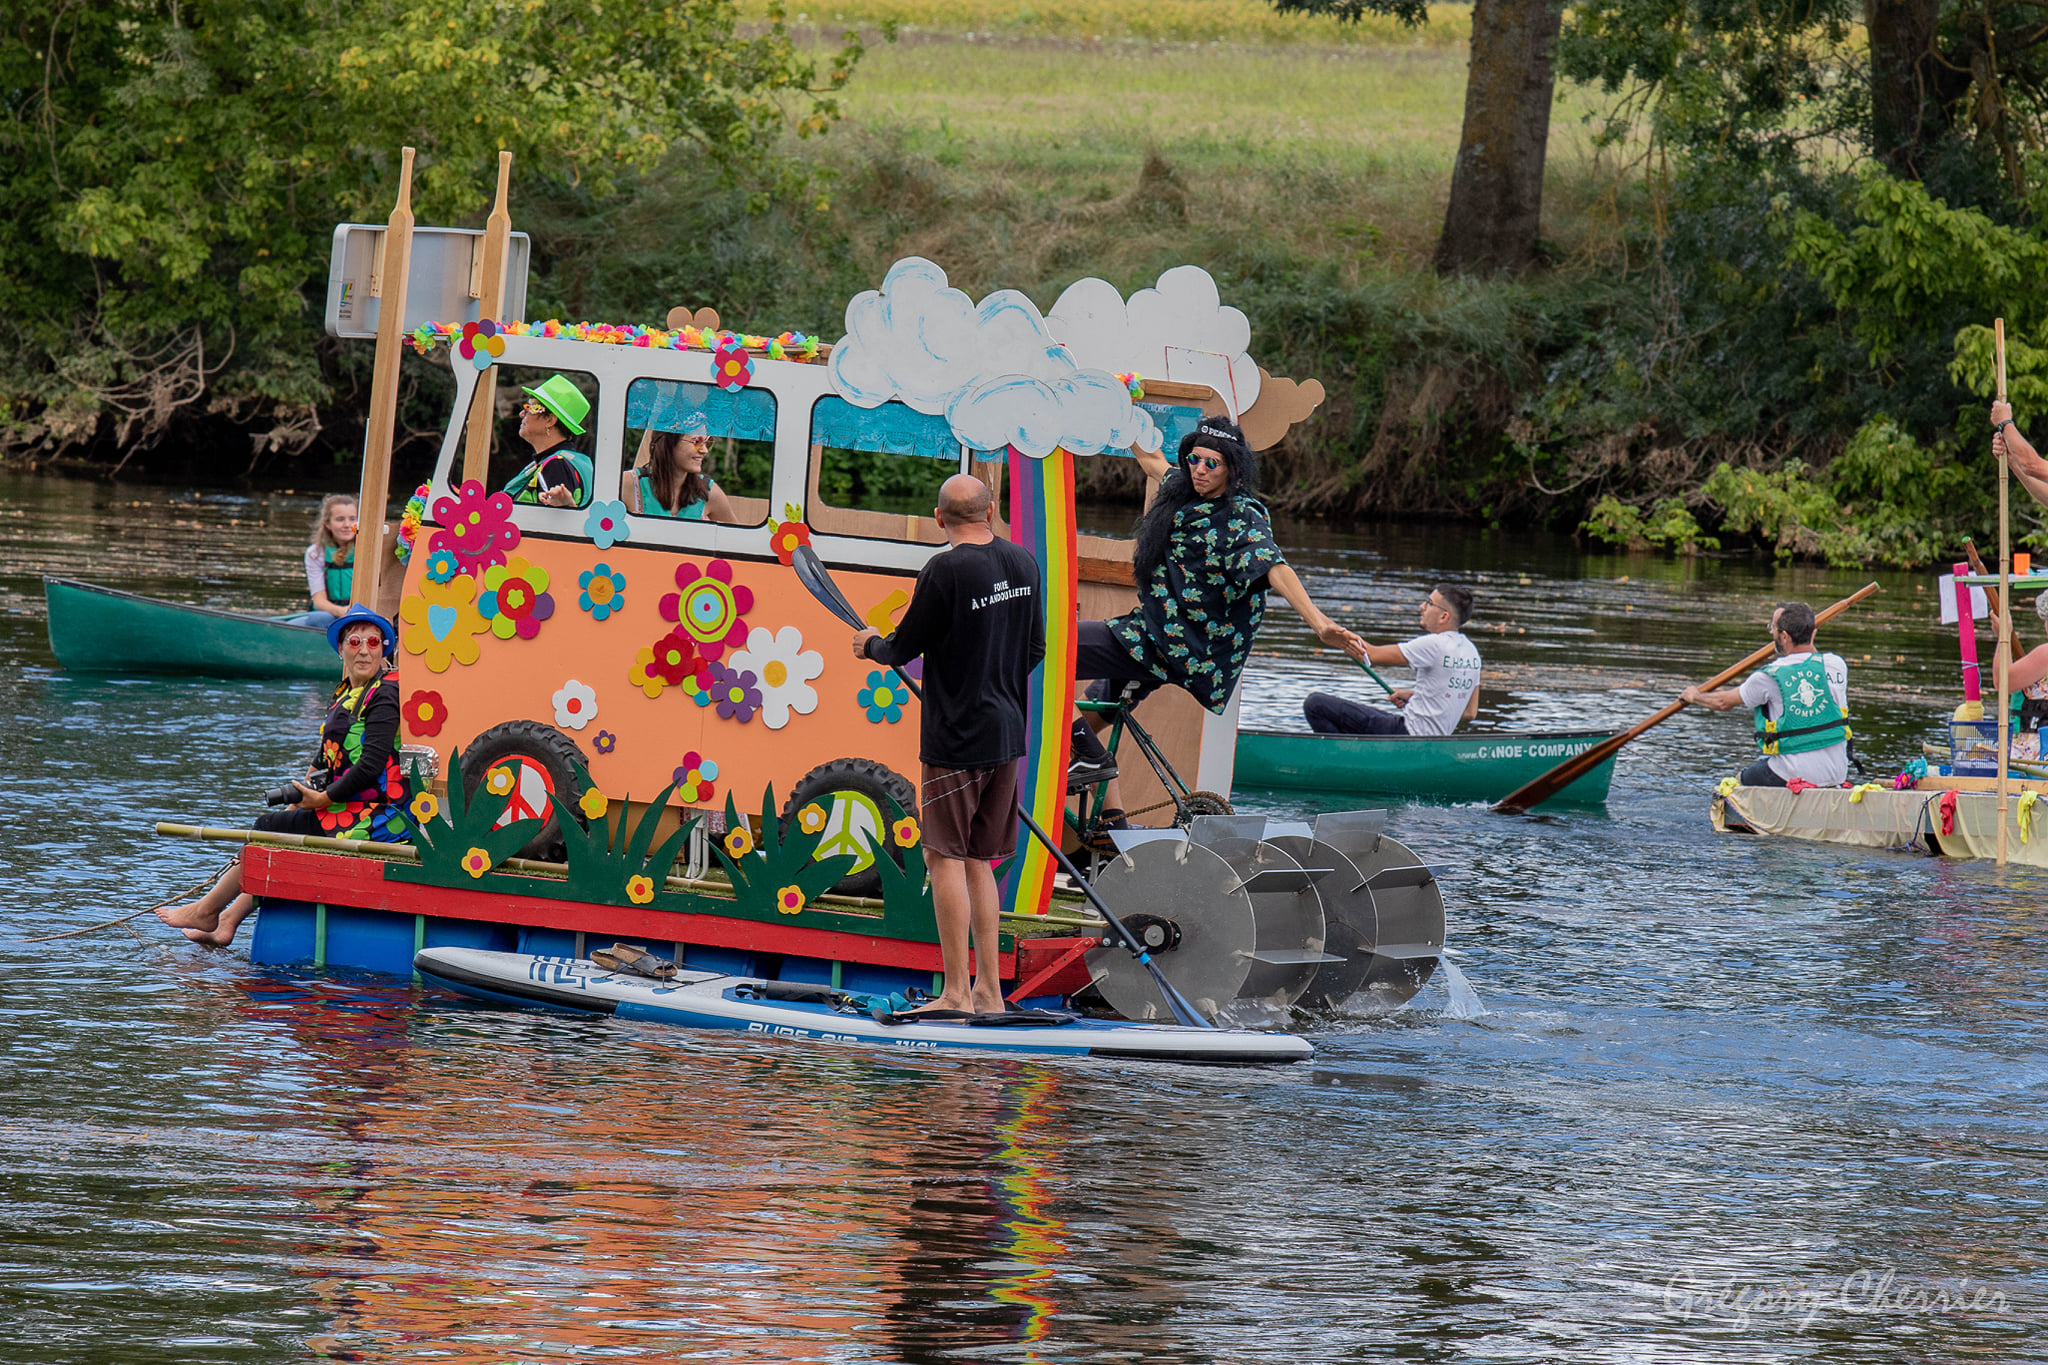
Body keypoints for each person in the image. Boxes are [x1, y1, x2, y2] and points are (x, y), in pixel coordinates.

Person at [1066, 416, 1364, 826]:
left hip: (1172, 644)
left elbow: (1273, 565)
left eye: (1213, 464)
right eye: (1195, 459)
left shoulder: (1241, 516)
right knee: (1102, 705)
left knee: (1042, 647)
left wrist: (1320, 623)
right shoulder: (1184, 491)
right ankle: (1111, 825)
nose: (1200, 470)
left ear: (1234, 469)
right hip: (1158, 631)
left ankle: (1090, 759)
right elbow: (1152, 461)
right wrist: (1122, 409)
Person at [851, 473, 1045, 1017]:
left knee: (944, 857)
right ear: (991, 510)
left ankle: (956, 992)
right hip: (1007, 733)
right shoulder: (1024, 564)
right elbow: (1035, 647)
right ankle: (990, 991)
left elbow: (903, 646)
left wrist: (869, 645)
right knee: (980, 860)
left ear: (940, 519)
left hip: (956, 739)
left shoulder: (944, 568)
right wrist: (991, 678)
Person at [156, 605, 412, 947]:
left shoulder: (385, 694)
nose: (364, 650)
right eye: (354, 641)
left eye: (373, 642)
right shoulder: (345, 693)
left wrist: (320, 800)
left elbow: (371, 766)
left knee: (266, 829)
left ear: (384, 649)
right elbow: (325, 757)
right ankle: (227, 922)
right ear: (341, 649)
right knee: (282, 826)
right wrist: (302, 794)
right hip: (347, 803)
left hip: (378, 814)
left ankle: (208, 911)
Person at [1680, 602, 1850, 787]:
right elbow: (1813, 658)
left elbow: (1722, 702)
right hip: (1837, 773)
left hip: (1792, 774)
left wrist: (1694, 696)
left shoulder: (1768, 677)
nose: (1771, 633)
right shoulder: (1836, 664)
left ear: (1784, 636)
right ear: (1812, 633)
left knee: (1735, 784)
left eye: (1774, 629)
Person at [1304, 584, 1481, 736]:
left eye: (1429, 603)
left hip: (1406, 734)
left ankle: (1341, 761)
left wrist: (1318, 619)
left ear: (1444, 616)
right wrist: (1414, 697)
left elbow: (1369, 654)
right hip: (1426, 740)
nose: (1422, 607)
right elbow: (1469, 712)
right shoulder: (1472, 653)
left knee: (1316, 704)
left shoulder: (1434, 644)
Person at [502, 374, 594, 508]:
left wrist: (567, 505)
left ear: (550, 420)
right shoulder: (569, 461)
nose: (522, 413)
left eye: (531, 407)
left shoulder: (557, 466)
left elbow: (558, 524)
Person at [626, 415, 738, 522]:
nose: (705, 450)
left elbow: (737, 538)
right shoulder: (628, 484)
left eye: (708, 442)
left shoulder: (709, 492)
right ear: (668, 442)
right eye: (696, 442)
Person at [286, 494, 357, 627]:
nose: (347, 525)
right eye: (340, 519)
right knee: (320, 618)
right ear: (327, 523)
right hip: (329, 615)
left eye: (352, 519)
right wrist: (344, 612)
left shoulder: (367, 551)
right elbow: (319, 602)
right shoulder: (315, 553)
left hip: (360, 616)